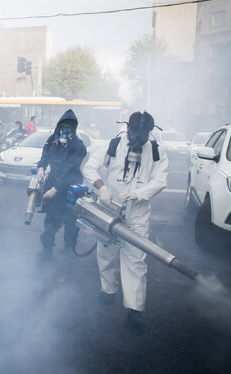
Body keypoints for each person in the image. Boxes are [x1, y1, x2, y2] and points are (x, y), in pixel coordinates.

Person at [83, 111, 168, 331]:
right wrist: (102, 188)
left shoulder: (156, 150)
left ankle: (134, 309)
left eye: (143, 135)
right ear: (128, 129)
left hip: (137, 213)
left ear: (149, 133)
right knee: (106, 253)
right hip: (108, 208)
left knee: (136, 261)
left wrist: (140, 193)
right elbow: (89, 168)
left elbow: (161, 180)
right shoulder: (113, 145)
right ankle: (108, 289)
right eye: (134, 134)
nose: (138, 139)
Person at [36, 109, 87, 260]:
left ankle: (68, 249)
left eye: (70, 127)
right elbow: (45, 155)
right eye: (64, 125)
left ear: (74, 128)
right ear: (59, 125)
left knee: (70, 219)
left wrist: (56, 188)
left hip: (70, 187)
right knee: (51, 218)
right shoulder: (53, 140)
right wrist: (41, 167)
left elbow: (70, 169)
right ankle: (46, 248)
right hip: (53, 182)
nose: (66, 130)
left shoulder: (78, 146)